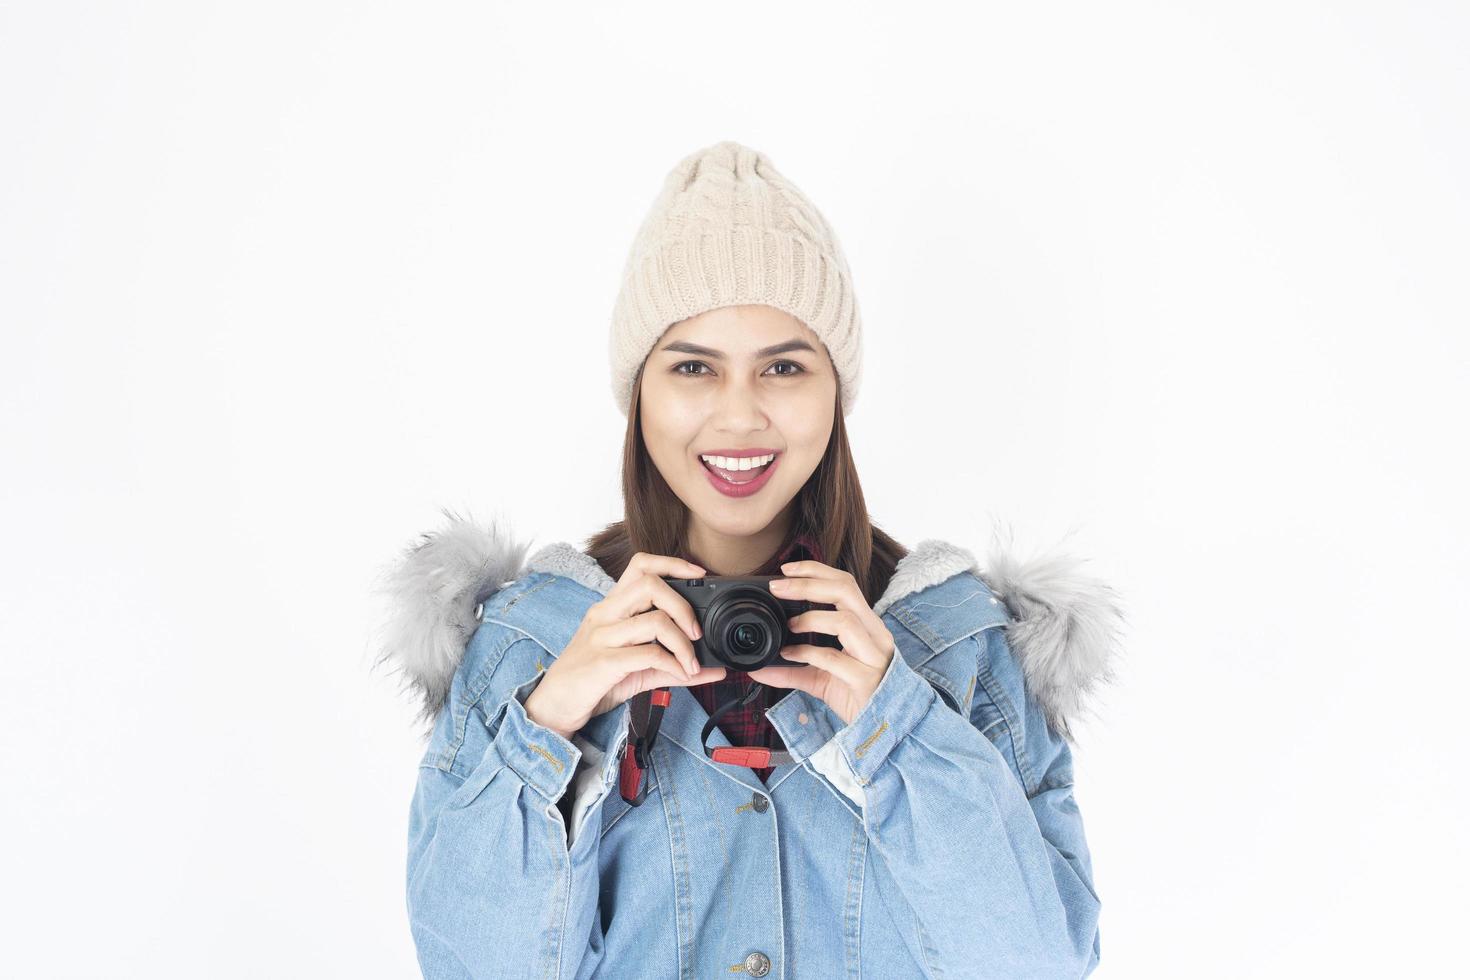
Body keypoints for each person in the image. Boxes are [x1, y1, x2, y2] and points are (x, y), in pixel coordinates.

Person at [376, 140, 1123, 979]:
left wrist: (897, 727)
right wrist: (549, 728)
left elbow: (1035, 966)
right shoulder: (531, 643)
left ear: (835, 392)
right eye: (693, 366)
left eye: (785, 367)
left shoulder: (960, 646)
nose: (739, 417)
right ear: (639, 394)